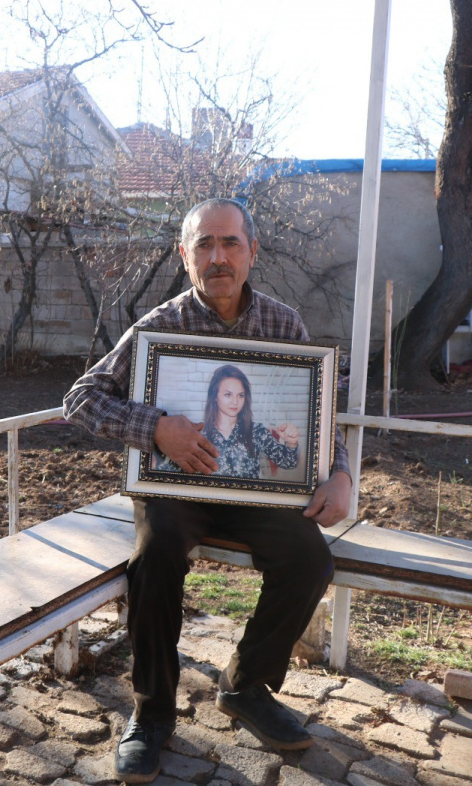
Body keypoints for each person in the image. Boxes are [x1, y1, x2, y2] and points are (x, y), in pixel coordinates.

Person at [63, 197, 353, 783]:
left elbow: (317, 419)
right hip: (176, 487)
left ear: (251, 253)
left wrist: (340, 473)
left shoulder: (282, 324)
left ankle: (245, 687)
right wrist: (156, 429)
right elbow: (81, 398)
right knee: (155, 555)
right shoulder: (159, 325)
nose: (217, 257)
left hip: (254, 488)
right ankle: (151, 712)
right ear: (185, 254)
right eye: (204, 244)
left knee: (308, 556)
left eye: (230, 244)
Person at [155, 364, 300, 479]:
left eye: (240, 395)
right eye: (228, 394)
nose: (235, 402)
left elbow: (288, 462)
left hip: (248, 509)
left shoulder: (256, 431)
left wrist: (291, 443)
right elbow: (169, 470)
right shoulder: (198, 432)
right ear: (215, 396)